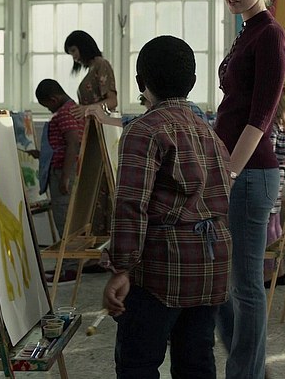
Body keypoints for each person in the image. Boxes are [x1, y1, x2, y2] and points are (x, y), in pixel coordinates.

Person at [100, 35, 233, 378]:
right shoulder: (210, 133)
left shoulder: (142, 131)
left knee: (138, 363)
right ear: (192, 82)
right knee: (196, 361)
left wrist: (121, 268)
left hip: (161, 268)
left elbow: (131, 207)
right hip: (210, 267)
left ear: (140, 83)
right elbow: (221, 200)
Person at [214, 0, 285, 378]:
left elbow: (260, 117)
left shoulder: (270, 35)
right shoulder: (247, 31)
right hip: (234, 170)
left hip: (250, 173)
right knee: (223, 284)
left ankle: (246, 372)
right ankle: (249, 365)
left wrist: (229, 171)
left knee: (245, 287)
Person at [64, 30, 117, 246]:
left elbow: (112, 101)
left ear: (83, 46)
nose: (74, 57)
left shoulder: (101, 65)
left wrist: (86, 108)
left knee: (101, 188)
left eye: (74, 51)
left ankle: (103, 245)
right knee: (93, 190)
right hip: (92, 133)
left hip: (101, 134)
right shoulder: (92, 69)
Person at [34, 79, 84, 284]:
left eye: (47, 106)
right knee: (67, 220)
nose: (48, 110)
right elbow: (63, 144)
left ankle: (69, 269)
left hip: (63, 172)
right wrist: (42, 154)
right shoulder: (73, 109)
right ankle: (66, 265)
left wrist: (64, 177)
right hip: (65, 170)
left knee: (64, 220)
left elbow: (73, 143)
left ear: (53, 99)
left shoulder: (64, 113)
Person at [264, 96, 285, 288]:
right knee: (274, 225)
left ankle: (269, 272)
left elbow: (269, 153)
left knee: (268, 227)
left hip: (272, 176)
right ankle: (278, 270)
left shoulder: (272, 128)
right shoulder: (281, 126)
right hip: (279, 175)